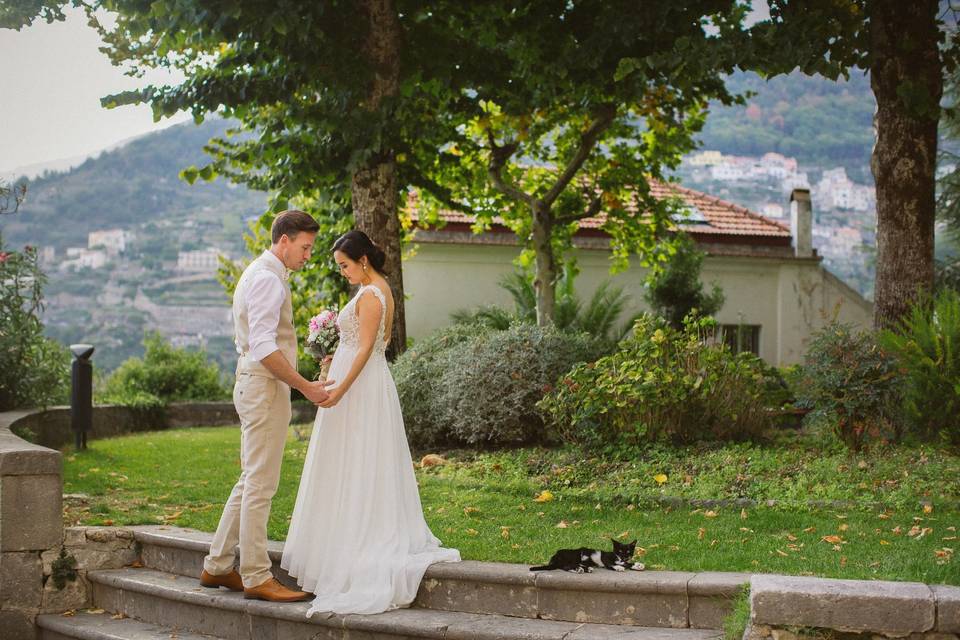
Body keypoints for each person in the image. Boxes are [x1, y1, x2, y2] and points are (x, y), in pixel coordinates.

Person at [281, 229, 461, 616]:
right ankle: (341, 539)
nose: (343, 272)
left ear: (362, 259)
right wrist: (331, 361)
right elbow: (353, 343)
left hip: (360, 389)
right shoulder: (371, 289)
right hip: (356, 384)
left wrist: (341, 388)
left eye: (345, 265)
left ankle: (359, 544)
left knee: (360, 460)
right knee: (348, 461)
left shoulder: (373, 294)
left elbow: (366, 349)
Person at [199, 210, 334, 603]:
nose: (308, 255)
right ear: (284, 240)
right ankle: (257, 575)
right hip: (263, 385)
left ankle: (218, 565)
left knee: (251, 479)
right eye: (305, 247)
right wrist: (306, 386)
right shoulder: (268, 279)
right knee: (261, 484)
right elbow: (262, 347)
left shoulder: (262, 273)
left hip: (258, 384)